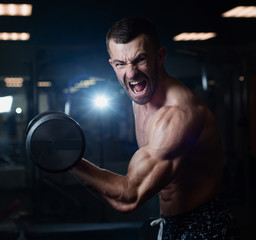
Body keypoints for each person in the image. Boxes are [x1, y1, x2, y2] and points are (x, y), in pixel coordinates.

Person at [71, 17, 239, 239]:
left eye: (140, 60)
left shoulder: (178, 115)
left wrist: (68, 161)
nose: (131, 74)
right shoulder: (139, 96)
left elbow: (128, 197)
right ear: (112, 64)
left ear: (160, 57)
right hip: (170, 221)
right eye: (121, 64)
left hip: (203, 226)